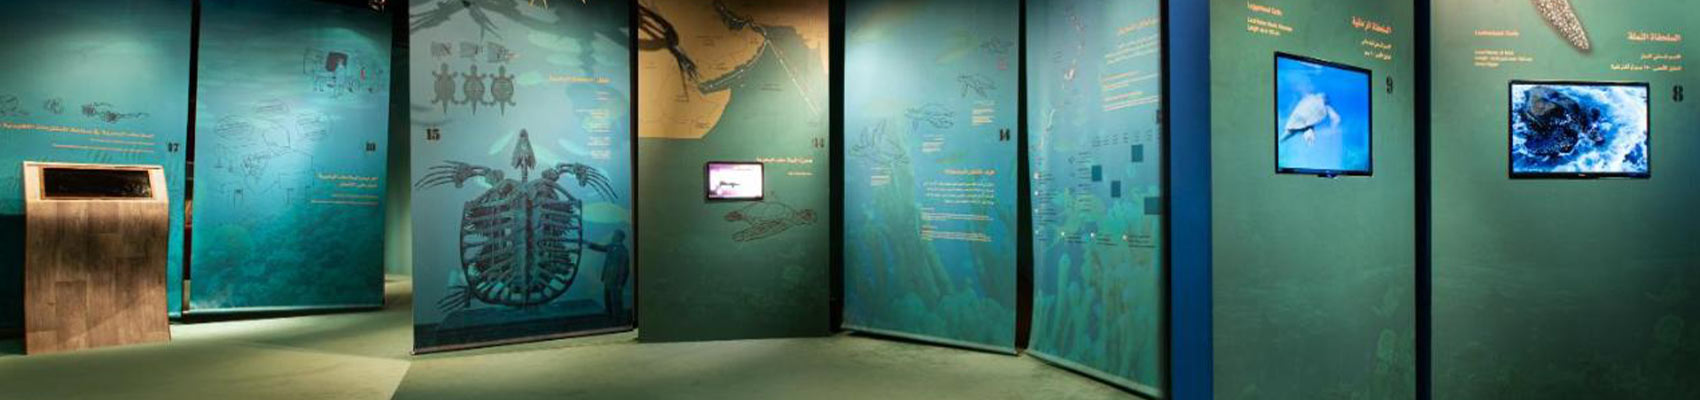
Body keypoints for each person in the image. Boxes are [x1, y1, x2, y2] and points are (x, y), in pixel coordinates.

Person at [588, 230, 630, 325]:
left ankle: (617, 319)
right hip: (608, 278)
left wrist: (621, 282)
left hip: (616, 280)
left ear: (619, 237)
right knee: (608, 298)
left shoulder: (623, 251)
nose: (613, 236)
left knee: (616, 300)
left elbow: (624, 268)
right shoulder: (611, 247)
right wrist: (589, 244)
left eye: (615, 235)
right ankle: (610, 316)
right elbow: (601, 248)